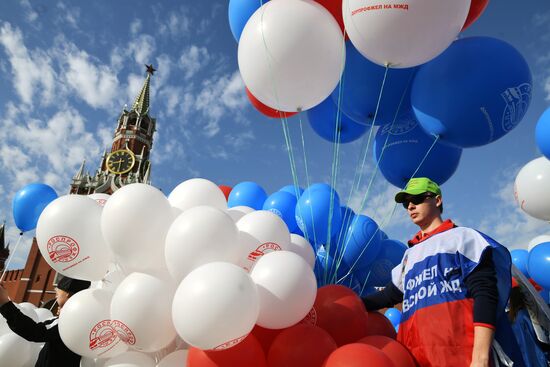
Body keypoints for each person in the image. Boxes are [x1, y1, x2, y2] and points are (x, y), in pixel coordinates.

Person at [362, 177, 522, 367]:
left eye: (418, 198)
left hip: (462, 356)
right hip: (416, 358)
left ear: (437, 200)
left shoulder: (463, 237)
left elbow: (485, 292)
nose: (410, 206)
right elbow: (390, 295)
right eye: (406, 203)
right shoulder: (409, 254)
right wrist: (350, 304)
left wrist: (480, 358)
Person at [0, 275, 90, 367]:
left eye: (57, 293)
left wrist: (4, 303)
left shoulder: (68, 322)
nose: (55, 296)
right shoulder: (83, 321)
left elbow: (35, 331)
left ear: (67, 294)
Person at [508, 277, 550, 367]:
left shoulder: (512, 318)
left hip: (522, 359)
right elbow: (538, 337)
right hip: (536, 358)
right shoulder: (526, 315)